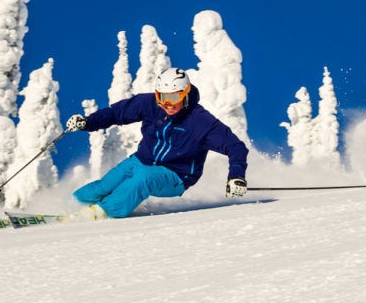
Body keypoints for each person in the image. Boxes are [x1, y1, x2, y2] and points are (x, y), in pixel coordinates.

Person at [65, 67, 248, 218]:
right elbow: (116, 113)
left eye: (174, 98)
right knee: (105, 185)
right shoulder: (151, 104)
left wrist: (236, 176)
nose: (168, 103)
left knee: (143, 179)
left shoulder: (200, 122)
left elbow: (235, 147)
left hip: (177, 175)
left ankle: (101, 213)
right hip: (140, 161)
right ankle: (69, 206)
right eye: (162, 97)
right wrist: (88, 122)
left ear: (185, 95)